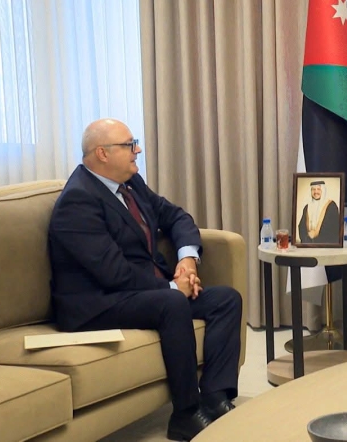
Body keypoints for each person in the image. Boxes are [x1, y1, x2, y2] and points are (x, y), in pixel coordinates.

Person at [48, 119, 242, 441]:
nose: (137, 150)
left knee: (225, 299)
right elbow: (112, 272)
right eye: (129, 144)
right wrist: (172, 287)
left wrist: (187, 260)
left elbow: (176, 217)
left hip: (139, 290)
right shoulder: (77, 201)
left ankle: (215, 395)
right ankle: (185, 414)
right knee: (172, 302)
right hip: (96, 302)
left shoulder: (131, 183)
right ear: (102, 153)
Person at [298, 180, 341, 244]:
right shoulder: (307, 207)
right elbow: (301, 226)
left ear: (323, 190)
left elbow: (333, 227)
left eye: (318, 189)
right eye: (313, 189)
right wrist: (307, 237)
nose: (316, 192)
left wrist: (316, 236)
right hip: (309, 243)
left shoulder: (331, 205)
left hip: (326, 244)